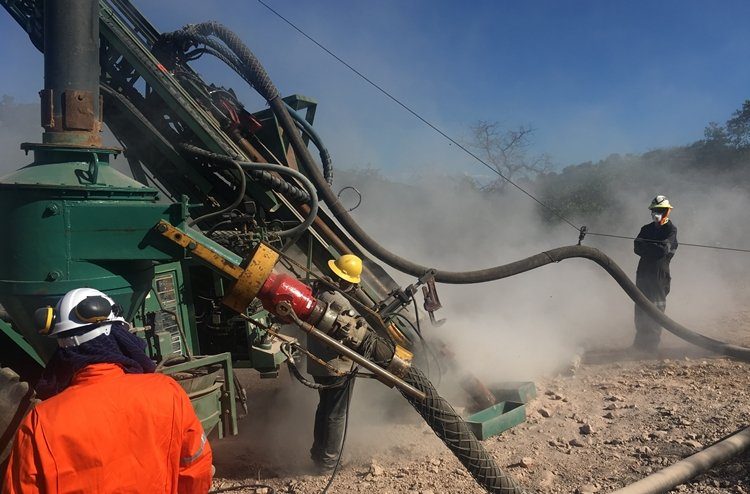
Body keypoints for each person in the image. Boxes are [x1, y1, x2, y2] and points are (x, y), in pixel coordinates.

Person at [3, 288, 213, 494]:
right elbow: (195, 468)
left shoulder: (41, 421)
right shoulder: (167, 392)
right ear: (117, 335)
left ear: (63, 348)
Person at [307, 254, 363, 472]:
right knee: (337, 414)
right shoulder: (339, 301)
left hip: (319, 363)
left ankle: (318, 455)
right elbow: (356, 332)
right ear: (346, 281)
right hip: (337, 365)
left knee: (324, 409)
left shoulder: (319, 291)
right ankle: (329, 463)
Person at [633, 195, 678, 352]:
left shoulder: (671, 230)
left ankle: (651, 346)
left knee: (656, 309)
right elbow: (636, 247)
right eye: (654, 210)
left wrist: (648, 247)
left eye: (660, 210)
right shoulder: (646, 229)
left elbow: (663, 250)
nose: (657, 213)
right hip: (643, 273)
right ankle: (639, 345)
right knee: (640, 307)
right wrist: (652, 248)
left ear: (667, 212)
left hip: (659, 276)